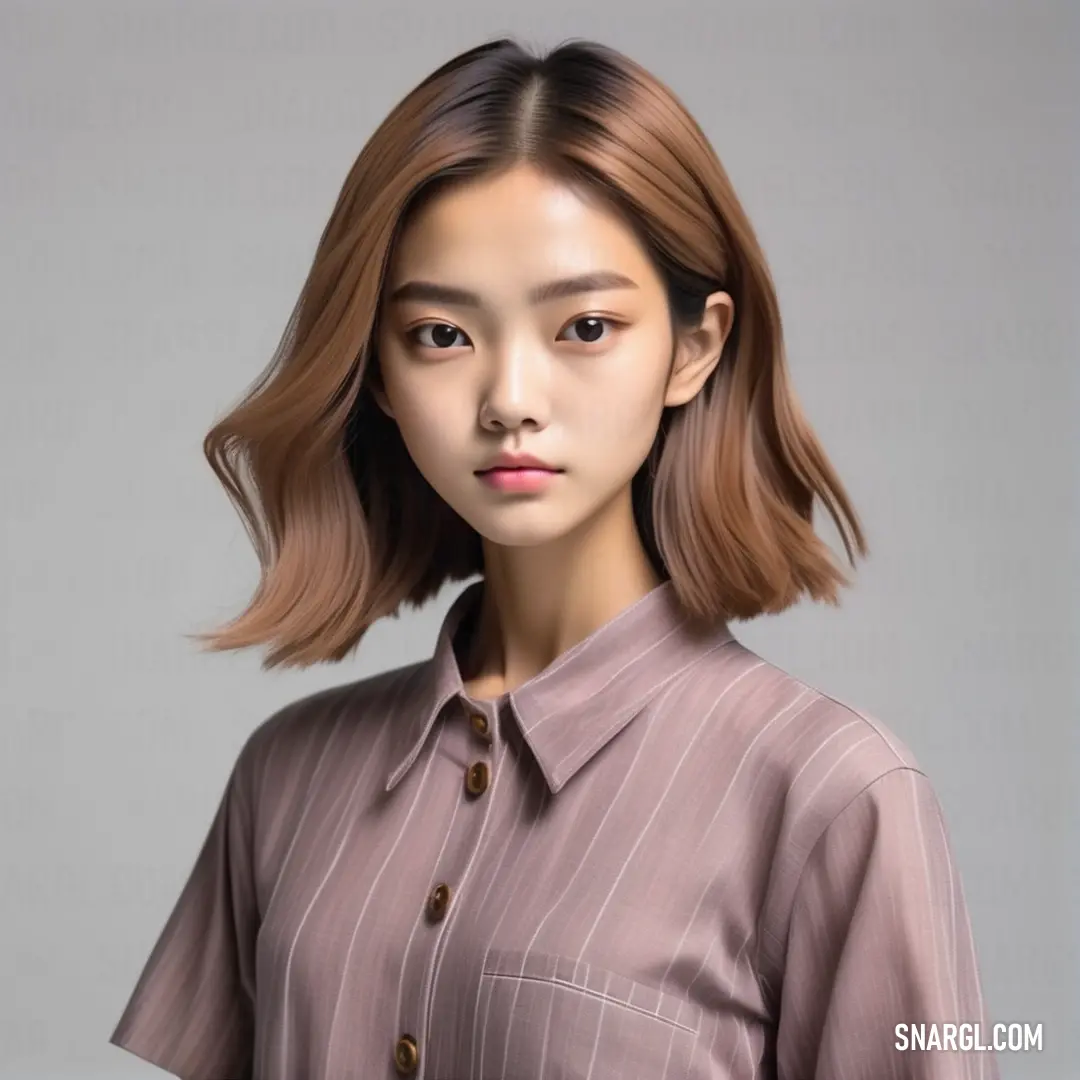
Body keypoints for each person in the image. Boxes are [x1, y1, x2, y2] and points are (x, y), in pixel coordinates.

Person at [109, 37, 999, 1080]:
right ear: (380, 374)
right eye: (442, 335)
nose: (510, 399)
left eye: (583, 325)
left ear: (694, 347)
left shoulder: (834, 797)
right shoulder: (287, 776)